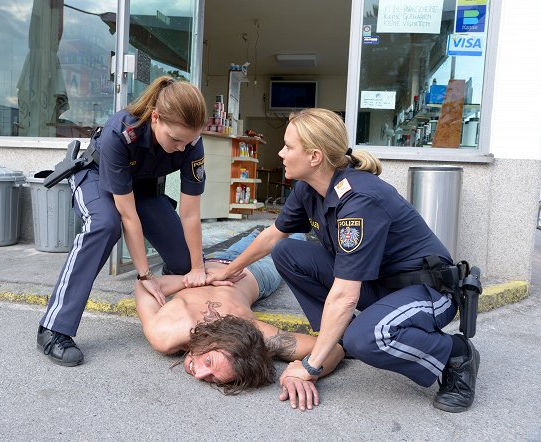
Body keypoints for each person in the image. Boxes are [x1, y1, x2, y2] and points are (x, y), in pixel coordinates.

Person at [206, 108, 479, 413]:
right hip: (380, 286)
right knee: (288, 252)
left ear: (315, 157)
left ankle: (455, 355)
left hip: (427, 292)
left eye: (288, 146)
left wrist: (310, 365)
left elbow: (346, 295)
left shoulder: (360, 200)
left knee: (368, 338)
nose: (281, 153)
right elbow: (273, 236)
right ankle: (336, 339)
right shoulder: (308, 189)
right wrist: (230, 271)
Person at [38, 76, 209, 366]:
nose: (182, 148)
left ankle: (171, 306)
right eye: (175, 140)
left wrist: (197, 268)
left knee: (184, 260)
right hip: (96, 178)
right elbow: (127, 215)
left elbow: (190, 212)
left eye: (188, 141)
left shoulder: (191, 143)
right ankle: (55, 328)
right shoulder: (121, 132)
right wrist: (144, 275)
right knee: (105, 225)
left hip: (142, 188)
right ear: (155, 118)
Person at [134, 229, 345, 402]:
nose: (198, 373)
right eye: (210, 367)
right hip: (234, 266)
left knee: (284, 241)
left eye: (211, 371)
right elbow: (144, 284)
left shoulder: (258, 336)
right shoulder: (169, 330)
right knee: (269, 239)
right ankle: (268, 232)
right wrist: (204, 279)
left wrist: (306, 371)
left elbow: (335, 350)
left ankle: (285, 230)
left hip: (245, 271)